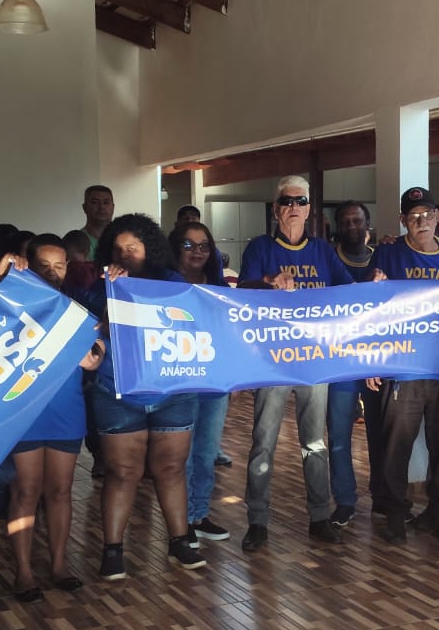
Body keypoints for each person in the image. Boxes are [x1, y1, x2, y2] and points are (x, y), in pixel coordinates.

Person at [237, 175, 353, 552]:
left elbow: (349, 290)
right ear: (275, 209)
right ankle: (257, 521)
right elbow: (241, 291)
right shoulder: (260, 248)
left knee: (314, 442)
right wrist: (268, 282)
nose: (293, 207)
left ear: (309, 210)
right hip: (272, 359)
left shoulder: (322, 251)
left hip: (314, 358)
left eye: (300, 201)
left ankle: (320, 516)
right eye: (287, 201)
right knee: (263, 441)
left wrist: (377, 277)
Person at [86, 213, 202, 580]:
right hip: (118, 390)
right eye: (118, 249)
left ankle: (180, 540)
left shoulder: (171, 281)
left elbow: (186, 319)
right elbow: (100, 330)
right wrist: (113, 291)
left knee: (171, 469)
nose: (124, 255)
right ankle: (113, 550)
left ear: (149, 249)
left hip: (172, 390)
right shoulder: (101, 285)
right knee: (123, 472)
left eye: (132, 248)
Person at [370, 187, 439, 546]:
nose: (422, 222)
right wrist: (372, 359)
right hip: (402, 366)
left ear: (437, 217)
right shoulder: (388, 254)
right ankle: (395, 515)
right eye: (414, 216)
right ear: (403, 221)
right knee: (396, 445)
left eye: (428, 215)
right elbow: (371, 309)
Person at [4, 234, 102, 601]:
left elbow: (97, 348)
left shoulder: (78, 306)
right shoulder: (12, 304)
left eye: (59, 265)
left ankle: (59, 566)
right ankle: (24, 572)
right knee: (26, 490)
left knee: (60, 490)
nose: (52, 272)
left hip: (66, 411)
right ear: (29, 264)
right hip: (24, 411)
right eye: (43, 265)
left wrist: (95, 357)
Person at [172, 221, 233, 541]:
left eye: (203, 246)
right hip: (178, 380)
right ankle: (181, 522)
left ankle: (199, 514)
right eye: (188, 245)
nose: (196, 251)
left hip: (214, 381)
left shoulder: (219, 288)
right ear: (176, 247)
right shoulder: (163, 284)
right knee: (180, 456)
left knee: (206, 453)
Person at [326, 201, 386, 524]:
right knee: (339, 435)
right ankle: (345, 500)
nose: (351, 226)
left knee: (379, 433)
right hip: (340, 359)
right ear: (338, 225)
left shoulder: (383, 256)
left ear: (367, 223)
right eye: (346, 221)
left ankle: (382, 497)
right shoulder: (329, 259)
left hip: (376, 358)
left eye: (357, 221)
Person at [72, 184, 116, 255]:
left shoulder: (123, 238)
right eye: (94, 202)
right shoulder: (75, 241)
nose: (102, 206)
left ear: (113, 207)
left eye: (106, 202)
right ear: (85, 207)